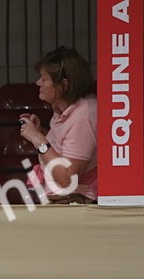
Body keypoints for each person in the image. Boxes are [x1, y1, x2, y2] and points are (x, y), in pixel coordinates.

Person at [18, 46, 98, 203]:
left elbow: (67, 179)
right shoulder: (62, 109)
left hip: (77, 201)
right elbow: (64, 148)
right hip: (64, 200)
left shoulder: (84, 115)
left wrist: (38, 139)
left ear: (64, 85)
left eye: (44, 79)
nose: (38, 83)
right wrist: (41, 131)